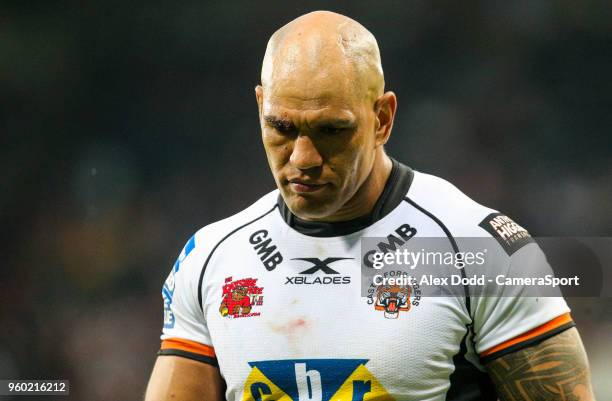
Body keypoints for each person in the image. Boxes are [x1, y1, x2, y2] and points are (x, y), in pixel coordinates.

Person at [144, 11, 595, 401]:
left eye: (332, 130)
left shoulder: (477, 248)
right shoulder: (210, 258)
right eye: (280, 127)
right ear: (260, 105)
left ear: (382, 119)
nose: (303, 158)